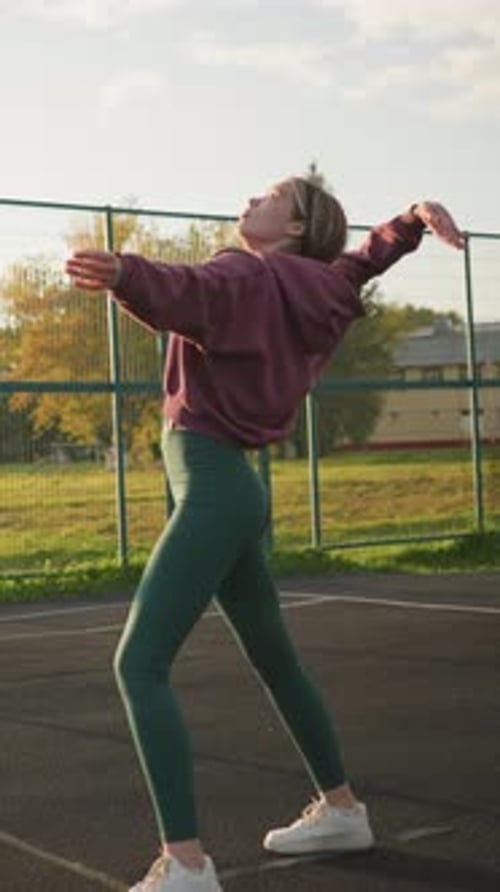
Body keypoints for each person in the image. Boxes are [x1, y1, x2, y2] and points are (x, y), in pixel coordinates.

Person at [66, 177, 464, 892]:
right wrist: (406, 223)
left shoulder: (243, 274)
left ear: (295, 225)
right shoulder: (316, 289)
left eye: (273, 194)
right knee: (274, 656)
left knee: (140, 665)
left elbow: (190, 293)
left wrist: (126, 273)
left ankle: (185, 865)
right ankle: (343, 810)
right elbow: (356, 265)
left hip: (215, 487)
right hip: (237, 489)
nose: (253, 197)